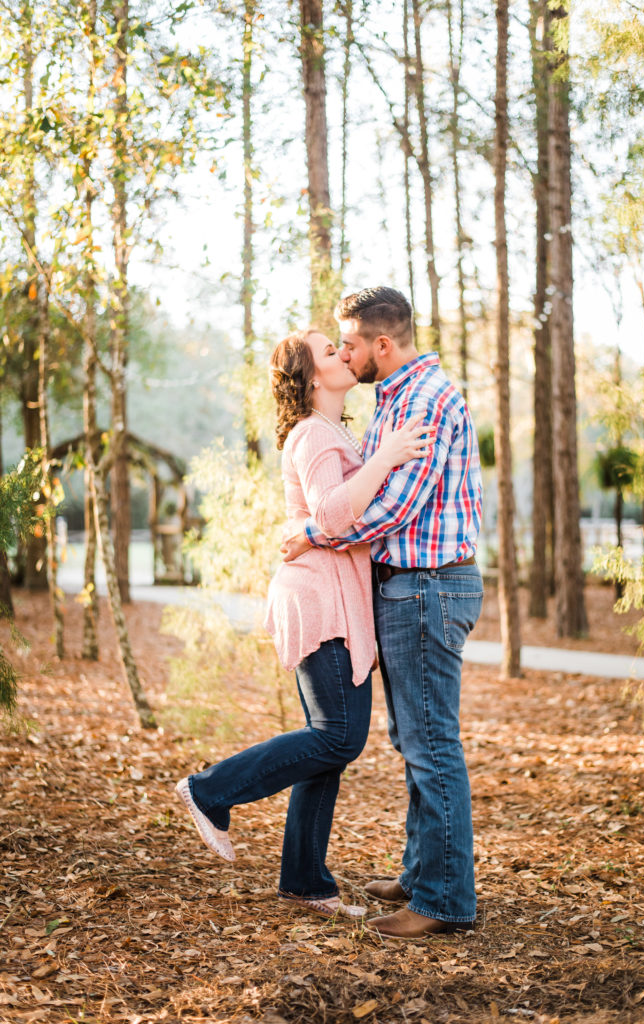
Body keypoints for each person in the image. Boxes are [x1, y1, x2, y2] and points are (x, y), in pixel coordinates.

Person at [175, 327, 432, 919]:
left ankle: (305, 879)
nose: (344, 353)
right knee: (338, 736)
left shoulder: (333, 431)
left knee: (330, 745)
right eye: (329, 350)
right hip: (320, 602)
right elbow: (334, 515)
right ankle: (210, 790)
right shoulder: (314, 433)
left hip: (331, 596)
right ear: (312, 377)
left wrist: (378, 453)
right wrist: (389, 456)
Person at [282, 286, 483, 938]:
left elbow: (388, 509)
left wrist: (313, 533)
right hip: (408, 588)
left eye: (350, 343)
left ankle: (444, 900)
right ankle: (424, 868)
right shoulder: (394, 396)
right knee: (413, 740)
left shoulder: (423, 400)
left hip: (427, 587)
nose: (344, 353)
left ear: (383, 346)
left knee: (431, 746)